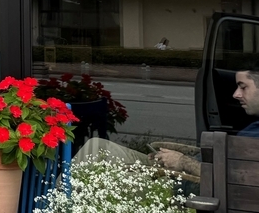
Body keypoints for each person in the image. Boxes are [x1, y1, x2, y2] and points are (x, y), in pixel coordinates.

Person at [76, 69, 259, 178]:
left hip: (180, 185)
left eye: (243, 87)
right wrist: (178, 157)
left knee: (96, 162)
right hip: (179, 173)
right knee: (97, 147)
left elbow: (232, 177)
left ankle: (63, 212)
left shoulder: (254, 136)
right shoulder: (253, 128)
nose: (236, 94)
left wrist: (183, 161)